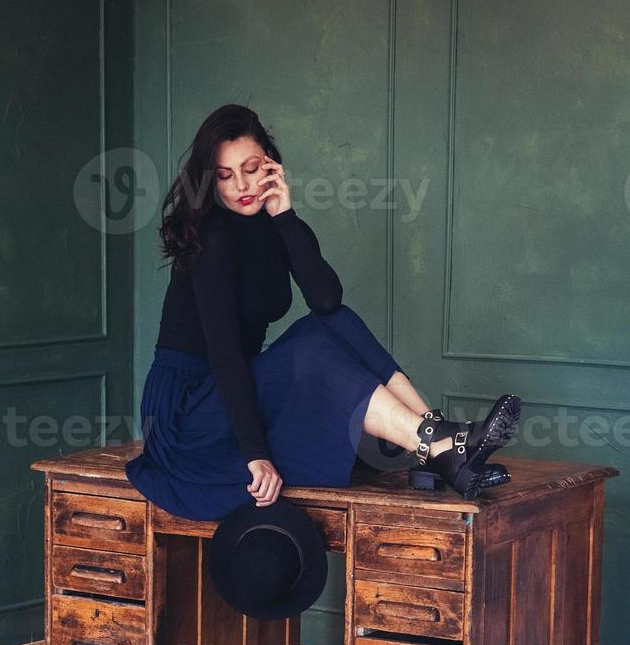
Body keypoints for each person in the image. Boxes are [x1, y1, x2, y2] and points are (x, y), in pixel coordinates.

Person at [125, 104, 520, 519]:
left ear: (272, 165)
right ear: (209, 181)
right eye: (225, 175)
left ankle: (439, 440)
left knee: (331, 322)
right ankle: (439, 446)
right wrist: (255, 454)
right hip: (187, 415)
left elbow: (327, 300)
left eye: (252, 167)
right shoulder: (214, 238)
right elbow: (225, 357)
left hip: (231, 394)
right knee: (311, 347)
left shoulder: (277, 226)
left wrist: (285, 218)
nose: (241, 184)